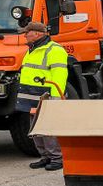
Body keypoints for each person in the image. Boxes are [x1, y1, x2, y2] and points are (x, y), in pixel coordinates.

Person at [16, 21, 68, 171]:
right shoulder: (32, 49)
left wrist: (55, 97)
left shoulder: (54, 50)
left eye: (27, 32)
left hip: (45, 96)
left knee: (48, 129)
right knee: (36, 128)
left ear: (37, 34)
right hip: (31, 96)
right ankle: (45, 157)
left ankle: (57, 158)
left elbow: (60, 75)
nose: (25, 35)